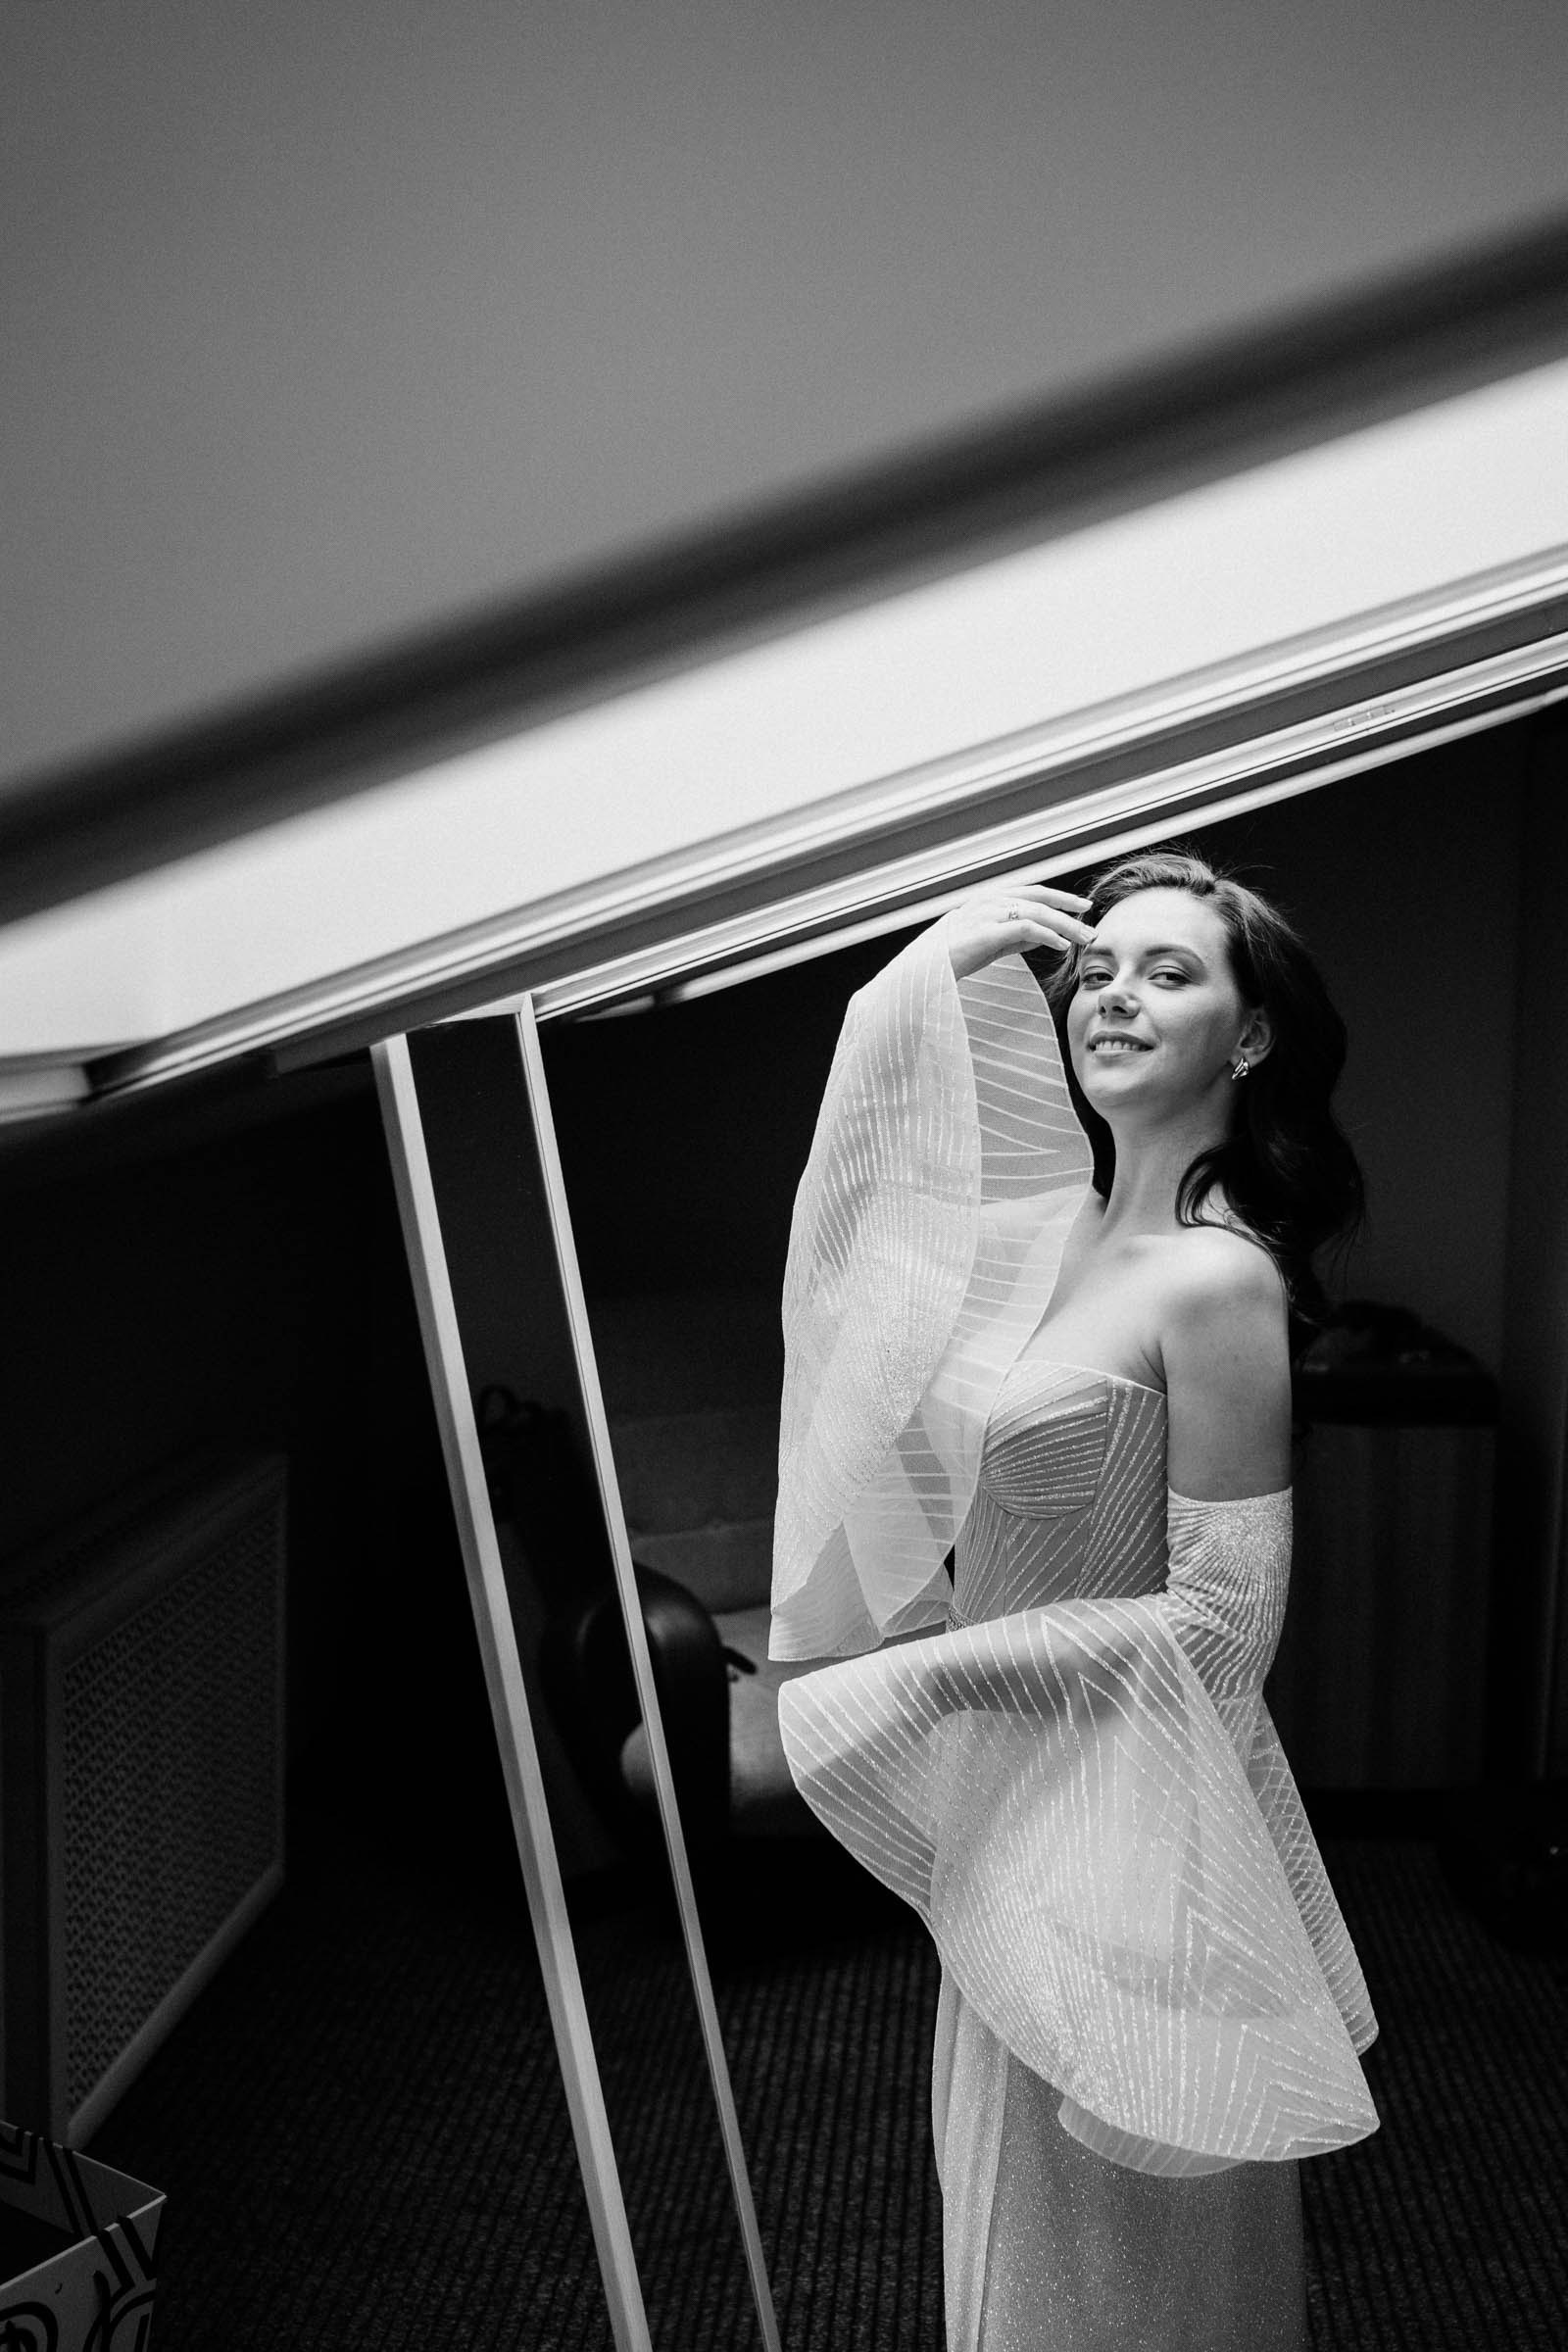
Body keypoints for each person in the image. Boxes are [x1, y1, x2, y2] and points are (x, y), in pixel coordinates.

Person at [769, 847, 1378, 2352]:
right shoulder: (1048, 1232)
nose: (1112, 995)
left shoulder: (1218, 1282)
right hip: (1010, 1806)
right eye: (1096, 972)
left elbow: (1223, 1630)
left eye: (1168, 973)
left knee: (1120, 2282)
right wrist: (904, 993)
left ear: (1250, 1037)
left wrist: (926, 1677)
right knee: (1009, 2229)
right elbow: (842, 1275)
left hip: (1137, 1832)